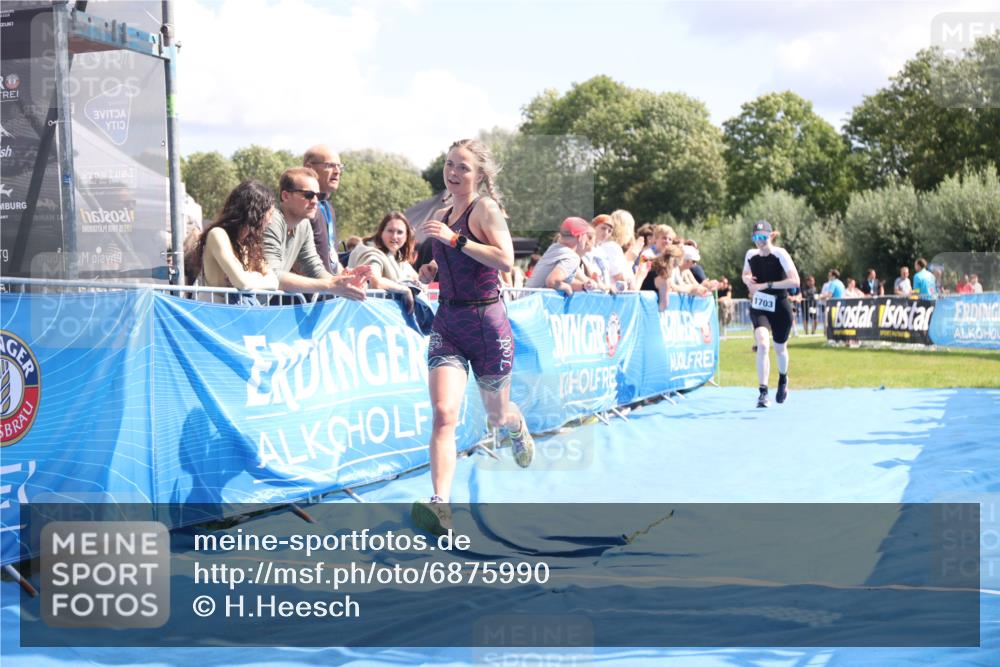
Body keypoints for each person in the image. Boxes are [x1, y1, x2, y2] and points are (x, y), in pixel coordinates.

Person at [411, 139, 535, 535]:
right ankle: (440, 504)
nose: (453, 172)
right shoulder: (443, 212)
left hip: (487, 323)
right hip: (448, 321)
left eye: (463, 167)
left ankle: (515, 426)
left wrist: (454, 240)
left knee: (496, 415)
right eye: (449, 164)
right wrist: (432, 268)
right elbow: (449, 258)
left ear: (480, 174)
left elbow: (504, 258)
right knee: (444, 413)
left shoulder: (485, 209)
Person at [262, 167, 368, 300]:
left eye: (317, 196)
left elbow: (313, 267)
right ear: (285, 196)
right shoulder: (272, 220)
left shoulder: (304, 224)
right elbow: (272, 274)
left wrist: (343, 282)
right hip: (236, 307)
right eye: (308, 195)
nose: (315, 201)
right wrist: (330, 285)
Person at [742, 220, 800, 408]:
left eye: (763, 237)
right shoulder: (750, 255)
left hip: (780, 305)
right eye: (756, 237)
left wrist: (766, 285)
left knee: (780, 348)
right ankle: (763, 392)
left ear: (770, 236)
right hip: (760, 305)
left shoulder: (780, 254)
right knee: (763, 344)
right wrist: (748, 280)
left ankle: (783, 378)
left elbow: (795, 281)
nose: (759, 241)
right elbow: (745, 274)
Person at [193, 180, 280, 304]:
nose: (270, 221)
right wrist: (257, 277)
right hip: (214, 316)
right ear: (254, 213)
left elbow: (274, 282)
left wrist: (249, 279)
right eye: (269, 214)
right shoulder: (218, 234)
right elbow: (242, 282)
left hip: (234, 315)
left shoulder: (250, 244)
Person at [347, 211, 418, 312]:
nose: (394, 236)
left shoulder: (395, 254)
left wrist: (423, 279)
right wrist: (405, 290)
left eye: (400, 232)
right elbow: (375, 282)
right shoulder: (371, 253)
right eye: (390, 231)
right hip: (365, 316)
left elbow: (415, 277)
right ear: (381, 232)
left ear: (407, 236)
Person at [303, 145, 344, 275]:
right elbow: (297, 261)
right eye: (330, 165)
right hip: (308, 292)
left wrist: (348, 275)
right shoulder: (302, 206)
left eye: (339, 166)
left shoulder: (328, 208)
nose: (337, 171)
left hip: (328, 291)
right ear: (309, 168)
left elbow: (331, 259)